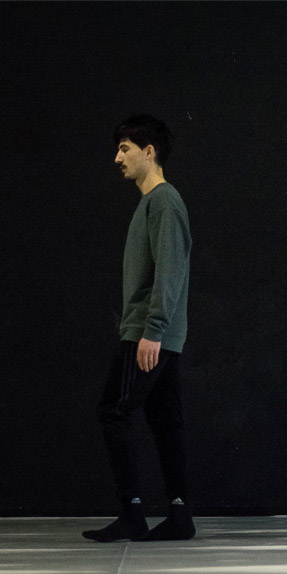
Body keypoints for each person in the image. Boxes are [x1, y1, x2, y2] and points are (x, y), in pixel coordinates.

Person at [83, 115, 195, 543]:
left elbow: (170, 271)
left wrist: (153, 330)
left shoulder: (164, 201)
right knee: (166, 421)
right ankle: (180, 516)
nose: (118, 158)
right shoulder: (153, 203)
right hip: (156, 331)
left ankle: (132, 513)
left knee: (114, 411)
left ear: (150, 152)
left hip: (148, 333)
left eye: (125, 148)